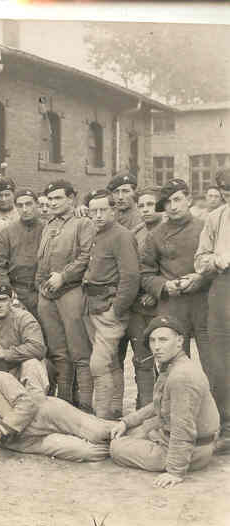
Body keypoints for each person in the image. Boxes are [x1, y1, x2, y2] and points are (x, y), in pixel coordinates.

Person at [0, 348, 117, 462]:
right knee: (84, 452)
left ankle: (134, 436)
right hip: (24, 441)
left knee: (99, 432)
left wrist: (1, 430)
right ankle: (124, 449)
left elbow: (27, 402)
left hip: (46, 413)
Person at [109, 316, 221, 486]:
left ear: (179, 341)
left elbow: (183, 429)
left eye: (163, 340)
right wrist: (127, 422)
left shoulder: (181, 376)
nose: (157, 346)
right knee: (127, 432)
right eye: (153, 340)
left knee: (115, 448)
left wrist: (175, 472)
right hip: (181, 439)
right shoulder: (174, 365)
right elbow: (159, 404)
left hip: (192, 451)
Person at [140, 178, 212, 384]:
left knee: (214, 362)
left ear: (188, 199)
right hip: (172, 306)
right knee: (172, 366)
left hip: (204, 302)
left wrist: (201, 278)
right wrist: (163, 286)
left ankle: (220, 413)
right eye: (167, 203)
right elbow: (145, 272)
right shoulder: (155, 235)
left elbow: (220, 263)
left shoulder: (205, 227)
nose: (173, 206)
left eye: (177, 199)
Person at [35, 179, 94, 408]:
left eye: (58, 198)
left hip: (71, 291)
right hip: (47, 295)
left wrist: (63, 276)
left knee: (80, 352)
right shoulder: (48, 225)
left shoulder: (82, 223)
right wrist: (40, 284)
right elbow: (41, 260)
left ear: (71, 199)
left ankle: (86, 406)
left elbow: (86, 255)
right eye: (50, 199)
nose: (53, 203)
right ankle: (65, 404)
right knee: (59, 352)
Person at [82, 188, 140, 419]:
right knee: (111, 361)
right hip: (92, 305)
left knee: (98, 365)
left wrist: (117, 309)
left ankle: (102, 418)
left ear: (113, 210)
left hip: (109, 309)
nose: (98, 215)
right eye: (93, 211)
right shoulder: (96, 234)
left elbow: (131, 276)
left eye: (103, 210)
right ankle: (115, 408)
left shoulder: (122, 235)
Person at [195, 169, 230, 450]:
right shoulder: (216, 218)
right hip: (222, 289)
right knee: (220, 359)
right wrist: (217, 261)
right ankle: (227, 424)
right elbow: (200, 260)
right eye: (226, 193)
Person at [123, 186, 163, 409]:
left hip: (162, 303)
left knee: (167, 358)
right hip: (137, 305)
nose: (146, 210)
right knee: (142, 358)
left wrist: (154, 293)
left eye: (151, 205)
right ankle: (145, 405)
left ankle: (165, 407)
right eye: (142, 206)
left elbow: (172, 268)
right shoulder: (135, 232)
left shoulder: (167, 229)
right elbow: (131, 268)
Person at [0, 188, 44, 319]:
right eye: (20, 205)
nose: (25, 209)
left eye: (29, 204)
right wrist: (9, 291)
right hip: (17, 291)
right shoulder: (7, 233)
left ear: (37, 204)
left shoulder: (47, 229)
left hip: (42, 291)